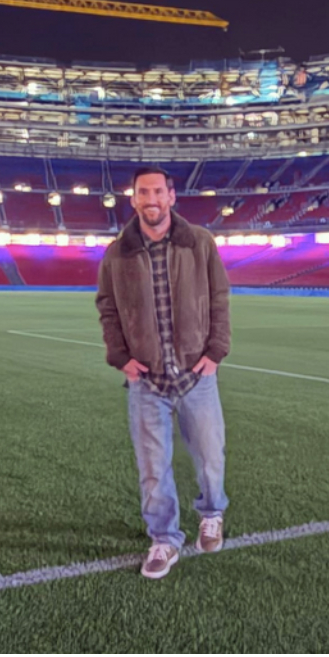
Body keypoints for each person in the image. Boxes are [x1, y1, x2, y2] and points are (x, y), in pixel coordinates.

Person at [95, 167, 232, 580]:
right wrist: (120, 356)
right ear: (133, 198)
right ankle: (164, 540)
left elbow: (220, 297)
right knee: (153, 468)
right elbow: (107, 306)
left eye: (158, 191)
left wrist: (216, 351)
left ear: (171, 196)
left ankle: (211, 514)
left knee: (210, 458)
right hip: (147, 381)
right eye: (142, 192)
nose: (150, 198)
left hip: (197, 375)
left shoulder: (200, 243)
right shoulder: (117, 252)